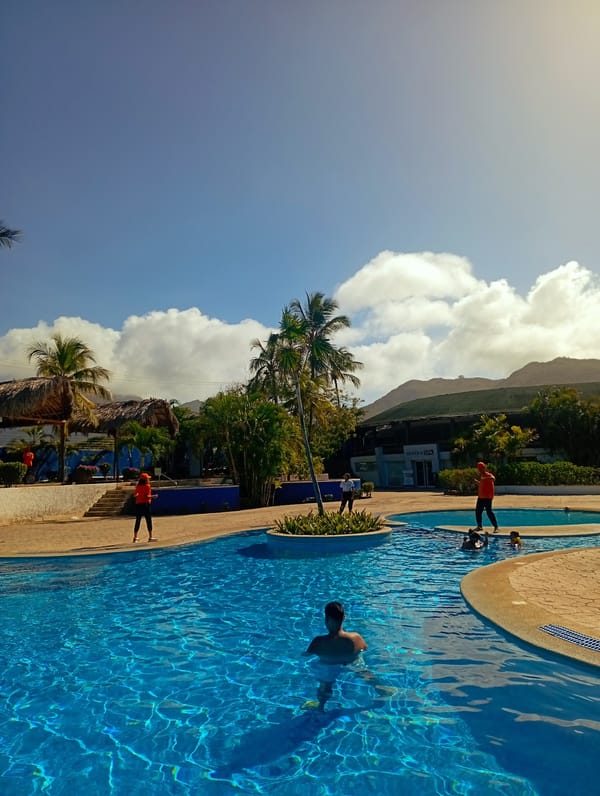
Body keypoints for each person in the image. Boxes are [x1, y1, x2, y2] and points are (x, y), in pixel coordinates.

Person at [304, 601, 368, 711]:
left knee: (325, 684)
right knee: (365, 673)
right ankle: (381, 689)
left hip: (329, 668)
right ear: (344, 618)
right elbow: (365, 649)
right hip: (351, 663)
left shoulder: (319, 642)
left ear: (326, 619)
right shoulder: (356, 638)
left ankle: (321, 707)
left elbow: (307, 655)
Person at [474, 461, 499, 532]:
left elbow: (493, 479)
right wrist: (478, 482)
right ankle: (479, 526)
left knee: (489, 512)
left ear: (484, 468)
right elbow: (483, 484)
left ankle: (496, 527)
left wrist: (484, 479)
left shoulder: (488, 475)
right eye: (479, 469)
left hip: (487, 497)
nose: (480, 470)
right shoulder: (482, 476)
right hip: (481, 497)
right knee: (478, 512)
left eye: (481, 468)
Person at [132, 473, 157, 543]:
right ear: (146, 479)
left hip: (138, 504)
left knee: (138, 520)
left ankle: (135, 537)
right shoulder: (147, 486)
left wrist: (139, 496)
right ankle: (150, 537)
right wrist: (153, 496)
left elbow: (135, 495)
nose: (149, 479)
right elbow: (147, 496)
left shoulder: (138, 486)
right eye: (148, 478)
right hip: (145, 504)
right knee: (148, 520)